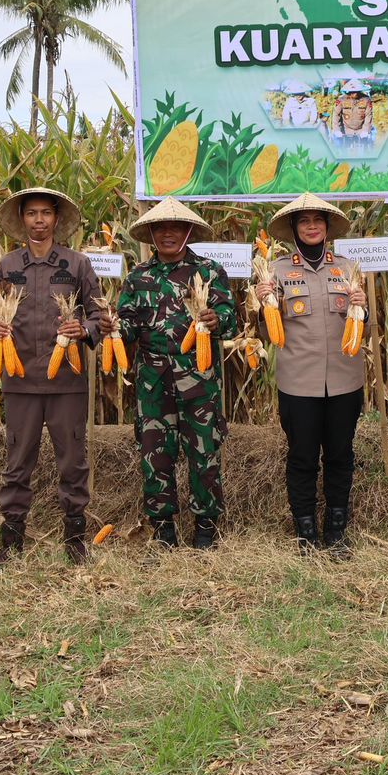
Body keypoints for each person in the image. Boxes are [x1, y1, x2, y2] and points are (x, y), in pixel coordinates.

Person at [106, 198, 238, 549]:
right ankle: (163, 529)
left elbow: (231, 320)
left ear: (188, 231)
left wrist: (216, 319)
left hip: (199, 380)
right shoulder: (138, 277)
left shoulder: (209, 272)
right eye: (160, 228)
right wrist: (115, 327)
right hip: (153, 381)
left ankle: (206, 527)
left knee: (204, 453)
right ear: (150, 233)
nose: (168, 234)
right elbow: (129, 327)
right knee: (155, 455)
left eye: (176, 227)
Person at [0, 187, 105, 564]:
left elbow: (99, 315)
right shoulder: (8, 265)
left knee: (72, 461)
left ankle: (75, 538)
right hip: (20, 379)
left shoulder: (77, 264)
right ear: (22, 219)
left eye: (45, 213)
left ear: (56, 218)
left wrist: (83, 329)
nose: (38, 220)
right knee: (17, 462)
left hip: (66, 382)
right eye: (31, 213)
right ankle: (11, 540)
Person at [252, 193, 366, 556]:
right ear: (294, 229)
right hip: (299, 383)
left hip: (345, 380)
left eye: (318, 220)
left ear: (328, 227)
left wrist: (363, 308)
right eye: (304, 221)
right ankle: (305, 532)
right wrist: (262, 304)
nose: (312, 226)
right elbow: (266, 332)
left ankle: (336, 531)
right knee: (302, 457)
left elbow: (364, 325)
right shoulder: (276, 272)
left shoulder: (348, 269)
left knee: (340, 455)